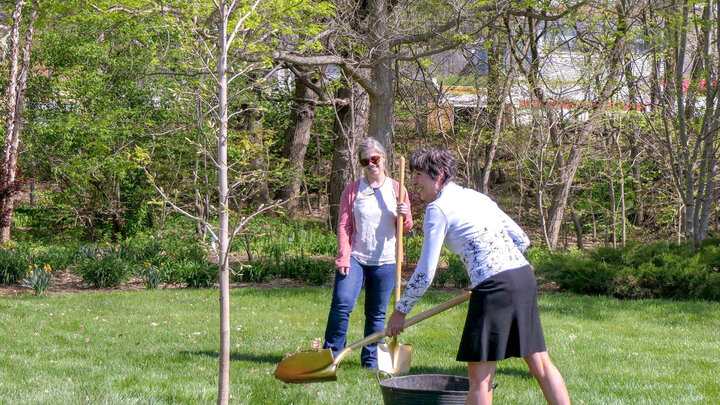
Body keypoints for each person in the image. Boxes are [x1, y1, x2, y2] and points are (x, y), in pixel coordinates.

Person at [386, 147, 570, 405]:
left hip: (495, 287)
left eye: (418, 175)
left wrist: (401, 310)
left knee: (480, 377)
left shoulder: (438, 209)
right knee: (540, 362)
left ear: (438, 175)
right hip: (523, 277)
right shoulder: (476, 197)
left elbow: (426, 272)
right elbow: (522, 239)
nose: (414, 182)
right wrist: (499, 268)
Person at [322, 137, 413, 369]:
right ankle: (331, 356)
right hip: (356, 258)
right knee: (341, 304)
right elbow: (343, 225)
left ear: (383, 159)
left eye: (375, 159)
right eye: (365, 161)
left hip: (387, 260)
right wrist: (343, 254)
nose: (371, 164)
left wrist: (404, 215)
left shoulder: (397, 188)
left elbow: (406, 227)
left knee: (377, 313)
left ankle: (371, 361)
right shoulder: (353, 191)